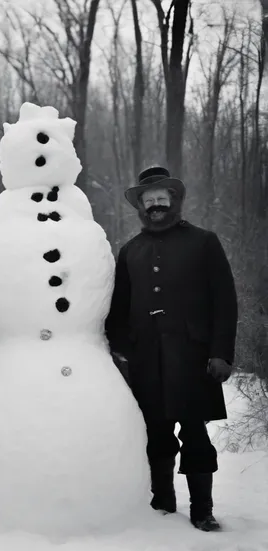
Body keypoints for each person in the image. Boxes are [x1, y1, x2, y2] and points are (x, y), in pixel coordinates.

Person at [105, 166, 238, 532]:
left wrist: (221, 352)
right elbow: (118, 308)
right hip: (146, 360)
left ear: (174, 201)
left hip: (194, 358)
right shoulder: (130, 250)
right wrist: (120, 353)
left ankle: (202, 509)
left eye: (162, 198)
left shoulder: (204, 241)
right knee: (155, 434)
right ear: (141, 207)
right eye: (149, 201)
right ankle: (162, 502)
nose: (156, 205)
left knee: (195, 433)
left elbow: (224, 301)